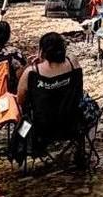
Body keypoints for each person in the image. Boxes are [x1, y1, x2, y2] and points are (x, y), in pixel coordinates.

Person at [13, 32, 98, 168]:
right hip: (72, 124)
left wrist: (39, 63)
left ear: (42, 51)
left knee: (23, 124)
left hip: (41, 128)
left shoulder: (31, 72)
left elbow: (20, 100)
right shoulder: (72, 62)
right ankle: (81, 149)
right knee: (93, 106)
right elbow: (78, 89)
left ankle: (22, 155)